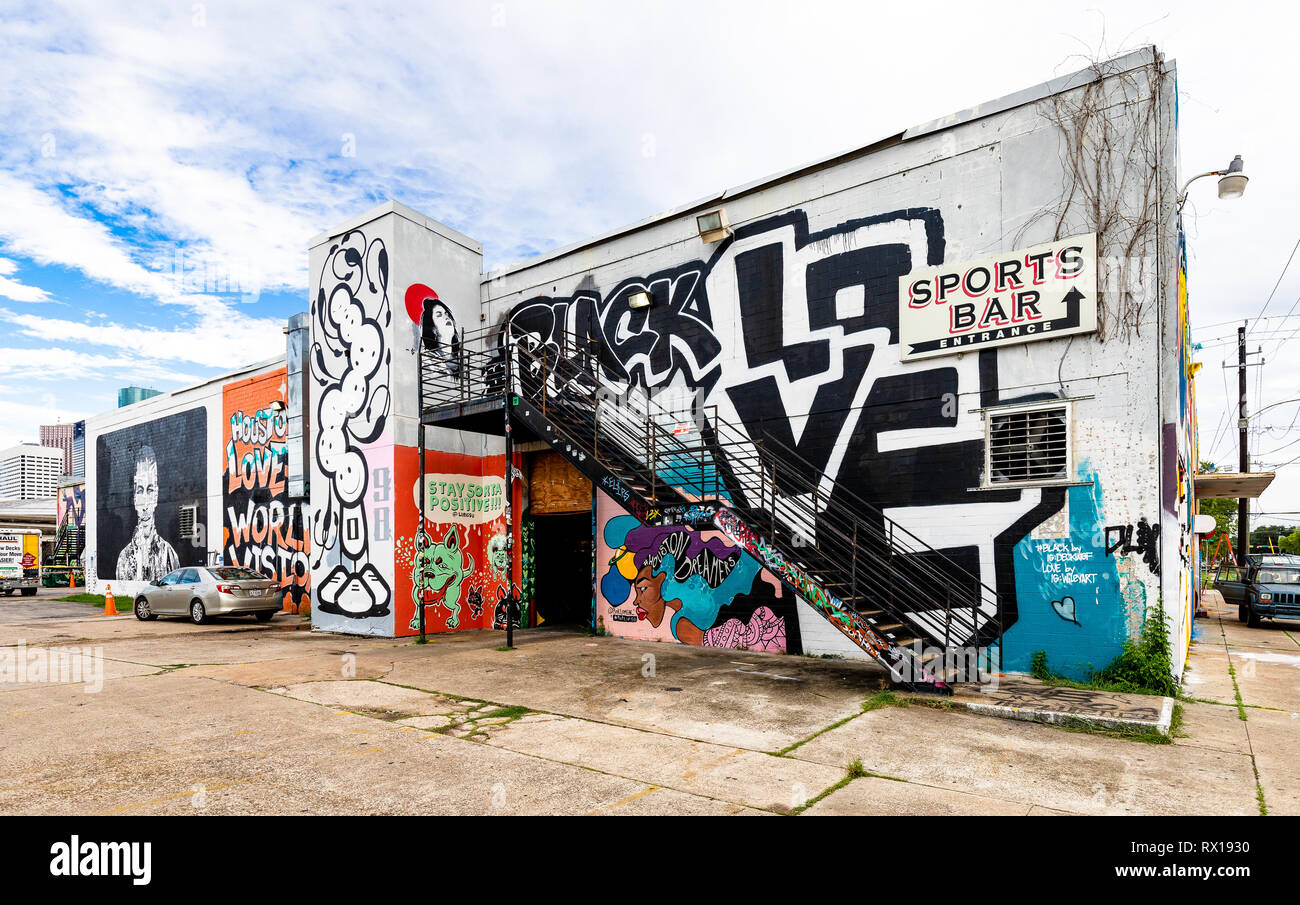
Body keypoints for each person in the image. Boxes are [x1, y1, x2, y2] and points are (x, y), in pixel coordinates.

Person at [116, 445, 180, 582]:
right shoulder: (124, 559)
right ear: (134, 497)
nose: (145, 505)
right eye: (140, 491)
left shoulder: (169, 555)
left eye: (150, 490)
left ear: (156, 495)